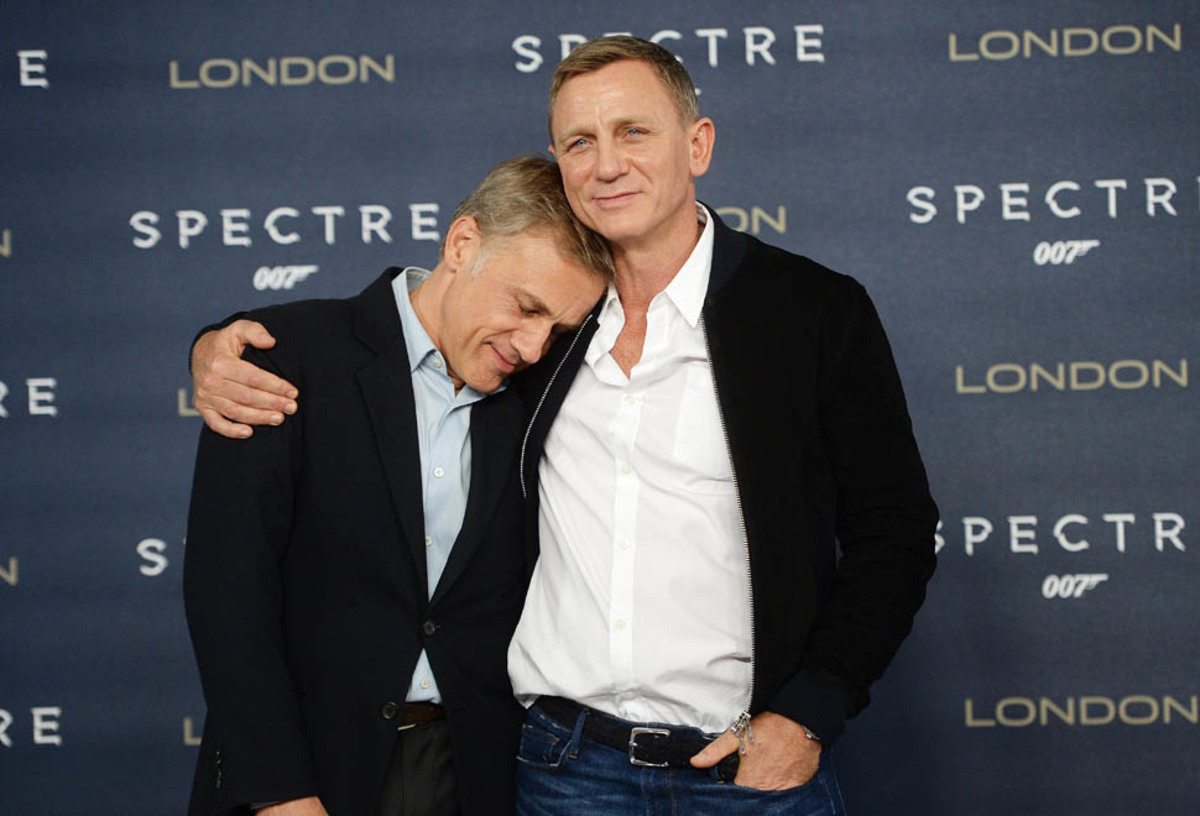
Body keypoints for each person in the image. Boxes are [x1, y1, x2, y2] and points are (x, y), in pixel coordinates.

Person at [192, 36, 938, 816]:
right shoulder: (545, 328)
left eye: (633, 131)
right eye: (580, 142)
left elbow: (894, 527)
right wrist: (214, 349)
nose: (607, 164)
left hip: (745, 772)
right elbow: (402, 335)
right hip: (562, 771)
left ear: (698, 144)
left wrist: (813, 709)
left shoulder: (813, 312)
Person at [182, 155, 610, 816]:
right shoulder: (281, 360)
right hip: (304, 770)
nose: (532, 346)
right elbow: (227, 594)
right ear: (462, 244)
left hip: (474, 774)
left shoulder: (541, 394)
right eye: (525, 307)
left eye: (556, 329)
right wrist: (279, 792)